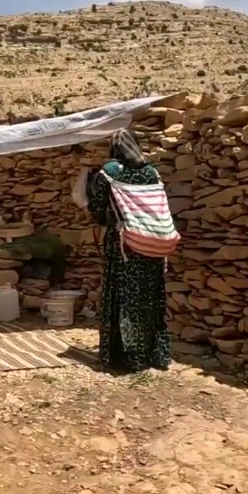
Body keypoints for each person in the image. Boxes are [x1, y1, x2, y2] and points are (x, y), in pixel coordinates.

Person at [86, 129, 171, 372]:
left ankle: (127, 356)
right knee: (150, 297)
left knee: (123, 297)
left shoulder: (109, 172)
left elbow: (98, 212)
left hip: (123, 245)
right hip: (151, 243)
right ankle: (155, 354)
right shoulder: (151, 172)